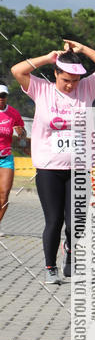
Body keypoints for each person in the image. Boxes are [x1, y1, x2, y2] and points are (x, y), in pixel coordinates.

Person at [11, 42, 95, 283]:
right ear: (56, 73)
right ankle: (50, 267)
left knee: (76, 222)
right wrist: (48, 57)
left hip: (79, 167)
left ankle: (70, 251)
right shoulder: (41, 89)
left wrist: (83, 50)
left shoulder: (87, 88)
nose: (70, 85)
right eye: (66, 80)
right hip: (49, 167)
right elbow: (17, 70)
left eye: (75, 81)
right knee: (54, 220)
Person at [0, 84, 26, 234]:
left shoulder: (13, 113)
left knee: (4, 195)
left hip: (5, 158)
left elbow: (23, 135)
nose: (1, 98)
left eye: (3, 95)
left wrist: (21, 132)